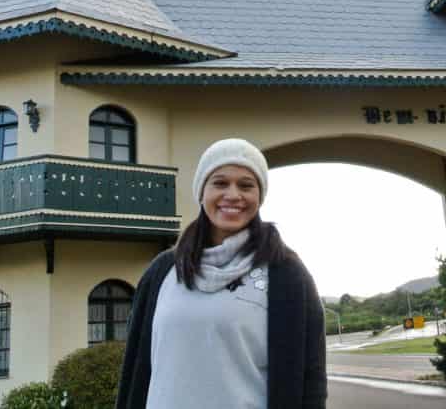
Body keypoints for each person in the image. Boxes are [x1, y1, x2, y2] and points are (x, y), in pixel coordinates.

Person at [116, 138, 327, 409]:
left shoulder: (286, 275)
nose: (233, 195)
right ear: (201, 191)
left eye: (246, 185)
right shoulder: (163, 271)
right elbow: (135, 368)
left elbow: (311, 380)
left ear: (259, 197)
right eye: (220, 183)